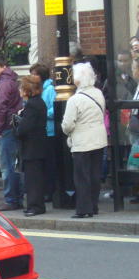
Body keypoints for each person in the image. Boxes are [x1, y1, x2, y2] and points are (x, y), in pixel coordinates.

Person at [61, 62, 107, 218]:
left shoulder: (74, 100)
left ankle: (83, 209)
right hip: (99, 139)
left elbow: (67, 125)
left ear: (79, 80)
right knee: (95, 175)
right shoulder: (99, 93)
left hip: (82, 142)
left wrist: (66, 130)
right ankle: (94, 206)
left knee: (81, 177)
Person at [0, 54, 23, 210]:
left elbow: (1, 107)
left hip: (6, 128)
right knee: (14, 165)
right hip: (12, 126)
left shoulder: (4, 84)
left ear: (3, 67)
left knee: (7, 166)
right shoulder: (11, 81)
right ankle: (17, 198)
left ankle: (11, 199)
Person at [15, 75, 47, 216]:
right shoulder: (38, 102)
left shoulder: (32, 105)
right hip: (37, 145)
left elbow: (25, 128)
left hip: (32, 147)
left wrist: (17, 125)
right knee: (34, 178)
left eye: (21, 87)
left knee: (33, 179)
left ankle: (35, 206)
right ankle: (35, 205)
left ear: (27, 89)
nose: (19, 90)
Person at [30, 63, 57, 202]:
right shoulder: (39, 89)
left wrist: (42, 114)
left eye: (34, 74)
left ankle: (50, 191)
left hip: (50, 131)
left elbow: (55, 108)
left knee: (50, 164)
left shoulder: (50, 89)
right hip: (42, 130)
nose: (32, 77)